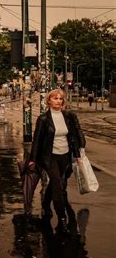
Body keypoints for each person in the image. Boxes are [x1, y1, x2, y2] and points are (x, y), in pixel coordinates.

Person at [27, 89, 86, 234]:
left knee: (56, 183)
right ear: (49, 101)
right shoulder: (43, 119)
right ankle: (62, 218)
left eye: (60, 99)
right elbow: (37, 141)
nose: (58, 101)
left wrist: (77, 155)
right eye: (55, 98)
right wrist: (32, 160)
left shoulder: (68, 117)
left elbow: (72, 138)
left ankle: (46, 205)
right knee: (59, 187)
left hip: (65, 155)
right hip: (49, 157)